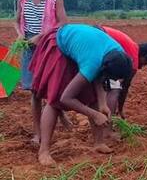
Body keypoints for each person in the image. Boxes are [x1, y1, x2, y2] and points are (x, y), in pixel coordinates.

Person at [29, 24, 133, 166]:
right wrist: (95, 115)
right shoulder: (93, 63)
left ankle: (98, 143)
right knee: (55, 101)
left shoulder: (119, 53)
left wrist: (102, 104)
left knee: (94, 98)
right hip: (59, 45)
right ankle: (44, 151)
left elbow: (100, 76)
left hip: (84, 48)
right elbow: (66, 98)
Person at [14, 0, 68, 144]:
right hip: (28, 45)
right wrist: (21, 34)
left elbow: (62, 23)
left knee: (50, 87)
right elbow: (17, 21)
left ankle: (59, 117)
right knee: (34, 91)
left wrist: (41, 36)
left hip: (48, 46)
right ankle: (38, 133)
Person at [98, 26, 147, 118]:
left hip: (96, 33)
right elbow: (124, 88)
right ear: (144, 55)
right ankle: (110, 119)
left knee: (107, 81)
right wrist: (121, 110)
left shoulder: (132, 47)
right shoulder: (133, 61)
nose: (142, 67)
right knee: (115, 88)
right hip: (98, 38)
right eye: (145, 63)